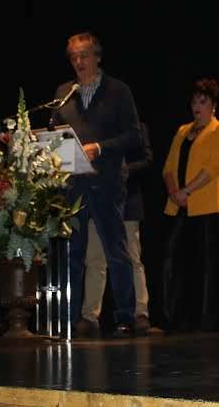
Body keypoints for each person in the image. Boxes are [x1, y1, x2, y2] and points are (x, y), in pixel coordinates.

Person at [51, 31, 142, 338]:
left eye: (84, 55)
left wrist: (100, 148)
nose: (78, 62)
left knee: (116, 253)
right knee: (72, 256)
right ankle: (69, 320)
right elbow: (56, 134)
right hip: (73, 186)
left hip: (106, 183)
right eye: (73, 57)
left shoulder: (118, 90)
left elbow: (134, 136)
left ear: (97, 57)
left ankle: (125, 317)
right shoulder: (64, 93)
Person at [161, 79, 219, 332]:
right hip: (179, 207)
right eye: (194, 101)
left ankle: (206, 321)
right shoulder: (183, 131)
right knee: (176, 264)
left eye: (203, 102)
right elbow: (168, 167)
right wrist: (174, 191)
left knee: (206, 268)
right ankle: (177, 319)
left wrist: (186, 191)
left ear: (213, 105)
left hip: (207, 208)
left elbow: (213, 167)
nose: (197, 106)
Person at [78, 123, 153, 336]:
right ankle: (89, 316)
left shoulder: (136, 128)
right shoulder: (96, 125)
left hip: (128, 203)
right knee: (95, 260)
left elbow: (148, 160)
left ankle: (140, 313)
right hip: (98, 200)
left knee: (132, 258)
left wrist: (123, 170)